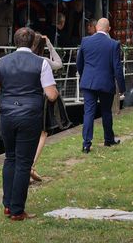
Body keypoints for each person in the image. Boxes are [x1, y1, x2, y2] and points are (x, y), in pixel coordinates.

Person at [0, 28, 59, 220]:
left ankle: (7, 205)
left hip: (7, 115)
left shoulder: (0, 62)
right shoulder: (41, 63)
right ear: (33, 43)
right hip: (30, 116)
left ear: (15, 42)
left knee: (10, 158)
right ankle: (17, 210)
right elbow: (51, 94)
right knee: (23, 163)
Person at [76, 18, 126, 153]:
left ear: (96, 27)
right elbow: (117, 68)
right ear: (109, 29)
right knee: (106, 112)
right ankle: (108, 139)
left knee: (88, 113)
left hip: (89, 82)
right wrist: (122, 88)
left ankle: (86, 144)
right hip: (105, 82)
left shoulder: (85, 41)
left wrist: (84, 75)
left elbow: (79, 63)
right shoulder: (113, 44)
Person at [30, 33, 64, 182]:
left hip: (27, 98)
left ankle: (26, 167)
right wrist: (50, 44)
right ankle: (31, 166)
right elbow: (58, 63)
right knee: (43, 133)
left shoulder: (23, 59)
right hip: (42, 99)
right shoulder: (43, 61)